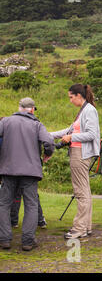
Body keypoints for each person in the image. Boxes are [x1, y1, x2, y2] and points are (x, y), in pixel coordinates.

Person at [0, 98, 54, 251]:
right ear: (32, 109)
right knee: (31, 204)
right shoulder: (37, 125)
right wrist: (47, 154)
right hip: (30, 172)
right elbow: (49, 141)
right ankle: (28, 241)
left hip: (8, 169)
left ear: (19, 107)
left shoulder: (6, 122)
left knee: (4, 204)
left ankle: (4, 239)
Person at [51, 84, 100, 239]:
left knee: (80, 192)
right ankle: (86, 226)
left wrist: (71, 138)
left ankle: (79, 228)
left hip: (81, 153)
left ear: (79, 95)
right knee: (84, 191)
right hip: (79, 152)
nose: (70, 100)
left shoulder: (89, 110)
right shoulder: (84, 111)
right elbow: (69, 130)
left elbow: (91, 134)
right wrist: (47, 134)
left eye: (71, 97)